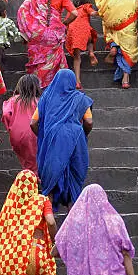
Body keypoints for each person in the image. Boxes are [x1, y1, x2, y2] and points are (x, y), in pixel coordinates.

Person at [30, 69, 93, 210]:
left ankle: (47, 223)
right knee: (74, 184)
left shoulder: (46, 98)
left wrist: (43, 136)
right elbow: (88, 121)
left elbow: (33, 123)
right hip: (76, 140)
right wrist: (82, 135)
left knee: (50, 183)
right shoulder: (80, 98)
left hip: (52, 140)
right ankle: (72, 225)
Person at [17, 0, 77, 88]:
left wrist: (27, 33)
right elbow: (75, 13)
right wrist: (64, 24)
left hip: (36, 38)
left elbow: (22, 13)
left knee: (38, 66)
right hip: (54, 37)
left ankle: (37, 91)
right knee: (57, 66)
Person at [2, 74, 41, 173]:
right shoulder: (39, 101)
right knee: (35, 161)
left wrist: (10, 128)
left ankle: (29, 177)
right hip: (34, 134)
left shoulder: (12, 100)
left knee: (26, 161)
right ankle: (35, 180)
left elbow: (6, 114)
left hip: (17, 135)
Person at [65, 0, 99, 90]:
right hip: (84, 31)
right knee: (91, 37)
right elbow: (93, 14)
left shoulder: (72, 11)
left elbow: (67, 24)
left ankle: (77, 81)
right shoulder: (86, 6)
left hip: (73, 34)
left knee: (77, 58)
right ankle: (91, 52)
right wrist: (102, 11)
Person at [0, 0, 22, 74]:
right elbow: (16, 36)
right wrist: (24, 38)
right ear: (4, 12)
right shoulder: (7, 21)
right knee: (1, 70)